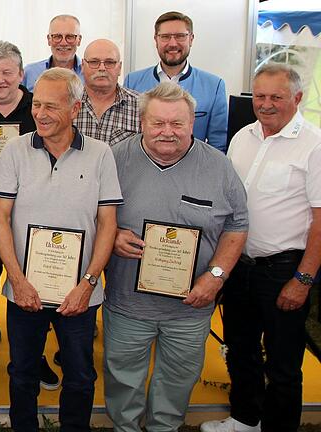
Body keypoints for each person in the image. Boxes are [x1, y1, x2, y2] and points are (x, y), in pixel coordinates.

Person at [104, 82, 248, 431]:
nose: (167, 132)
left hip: (190, 307)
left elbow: (238, 224)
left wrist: (215, 277)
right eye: (158, 123)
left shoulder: (219, 166)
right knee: (123, 379)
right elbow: (91, 215)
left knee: (178, 381)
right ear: (141, 122)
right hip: (127, 305)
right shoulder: (114, 159)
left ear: (192, 124)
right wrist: (113, 237)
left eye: (177, 124)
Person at [0, 67, 123, 431]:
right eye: (36, 104)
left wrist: (88, 284)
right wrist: (17, 280)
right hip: (24, 291)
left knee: (80, 376)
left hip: (80, 294)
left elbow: (107, 223)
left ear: (76, 109)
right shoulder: (15, 151)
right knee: (21, 374)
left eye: (52, 106)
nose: (41, 113)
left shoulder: (101, 155)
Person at [201, 63, 321, 432]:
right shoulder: (243, 137)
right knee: (241, 350)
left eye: (277, 97)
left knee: (283, 364)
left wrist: (303, 279)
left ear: (297, 98)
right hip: (240, 265)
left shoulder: (314, 145)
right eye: (260, 96)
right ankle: (244, 419)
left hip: (284, 268)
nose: (266, 105)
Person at [0, 40, 61, 391]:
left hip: (30, 213)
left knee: (31, 287)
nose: (1, 79)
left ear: (21, 74)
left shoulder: (36, 108)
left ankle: (31, 358)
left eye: (8, 73)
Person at [124, 11, 228, 152]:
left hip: (193, 170)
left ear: (191, 39)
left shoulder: (213, 86)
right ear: (156, 40)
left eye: (180, 36)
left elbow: (218, 145)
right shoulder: (133, 81)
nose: (173, 43)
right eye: (165, 37)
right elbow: (129, 137)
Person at [75, 39, 140, 146]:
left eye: (109, 62)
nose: (102, 68)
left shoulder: (140, 106)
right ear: (82, 66)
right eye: (94, 62)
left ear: (119, 68)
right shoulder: (67, 103)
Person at [22, 15, 83, 92]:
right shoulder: (29, 73)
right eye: (57, 36)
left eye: (70, 37)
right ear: (49, 40)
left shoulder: (88, 73)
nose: (63, 43)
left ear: (79, 40)